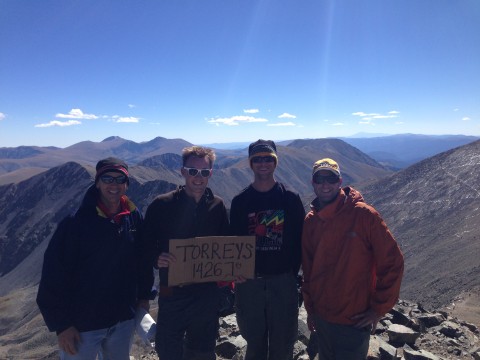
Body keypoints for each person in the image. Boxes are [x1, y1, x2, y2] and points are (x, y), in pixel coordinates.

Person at [37, 157, 151, 360]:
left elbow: (142, 261)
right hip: (82, 325)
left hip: (123, 319)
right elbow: (53, 274)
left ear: (126, 184)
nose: (114, 185)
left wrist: (144, 296)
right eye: (107, 178)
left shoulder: (133, 217)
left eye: (120, 179)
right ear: (97, 182)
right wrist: (62, 325)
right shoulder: (75, 223)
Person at [301, 158, 404, 360]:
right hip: (322, 317)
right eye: (319, 179)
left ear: (340, 182)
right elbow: (308, 269)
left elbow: (393, 262)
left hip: (354, 319)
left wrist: (377, 310)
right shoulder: (311, 221)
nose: (325, 184)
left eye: (330, 178)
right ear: (313, 183)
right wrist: (310, 309)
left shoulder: (364, 215)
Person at [140, 146, 229, 360]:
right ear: (182, 171)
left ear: (211, 174)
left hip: (206, 294)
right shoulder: (162, 205)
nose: (198, 177)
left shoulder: (217, 206)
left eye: (204, 172)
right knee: (169, 349)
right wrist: (156, 257)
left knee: (203, 351)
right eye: (193, 171)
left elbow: (226, 245)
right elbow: (143, 243)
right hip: (173, 293)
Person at [230, 139, 305, 360]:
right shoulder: (240, 201)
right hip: (249, 283)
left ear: (275, 162)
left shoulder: (290, 198)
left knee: (283, 342)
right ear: (251, 164)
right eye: (258, 159)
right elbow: (233, 241)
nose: (263, 163)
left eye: (268, 159)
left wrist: (294, 274)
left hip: (283, 281)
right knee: (254, 341)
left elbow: (301, 239)